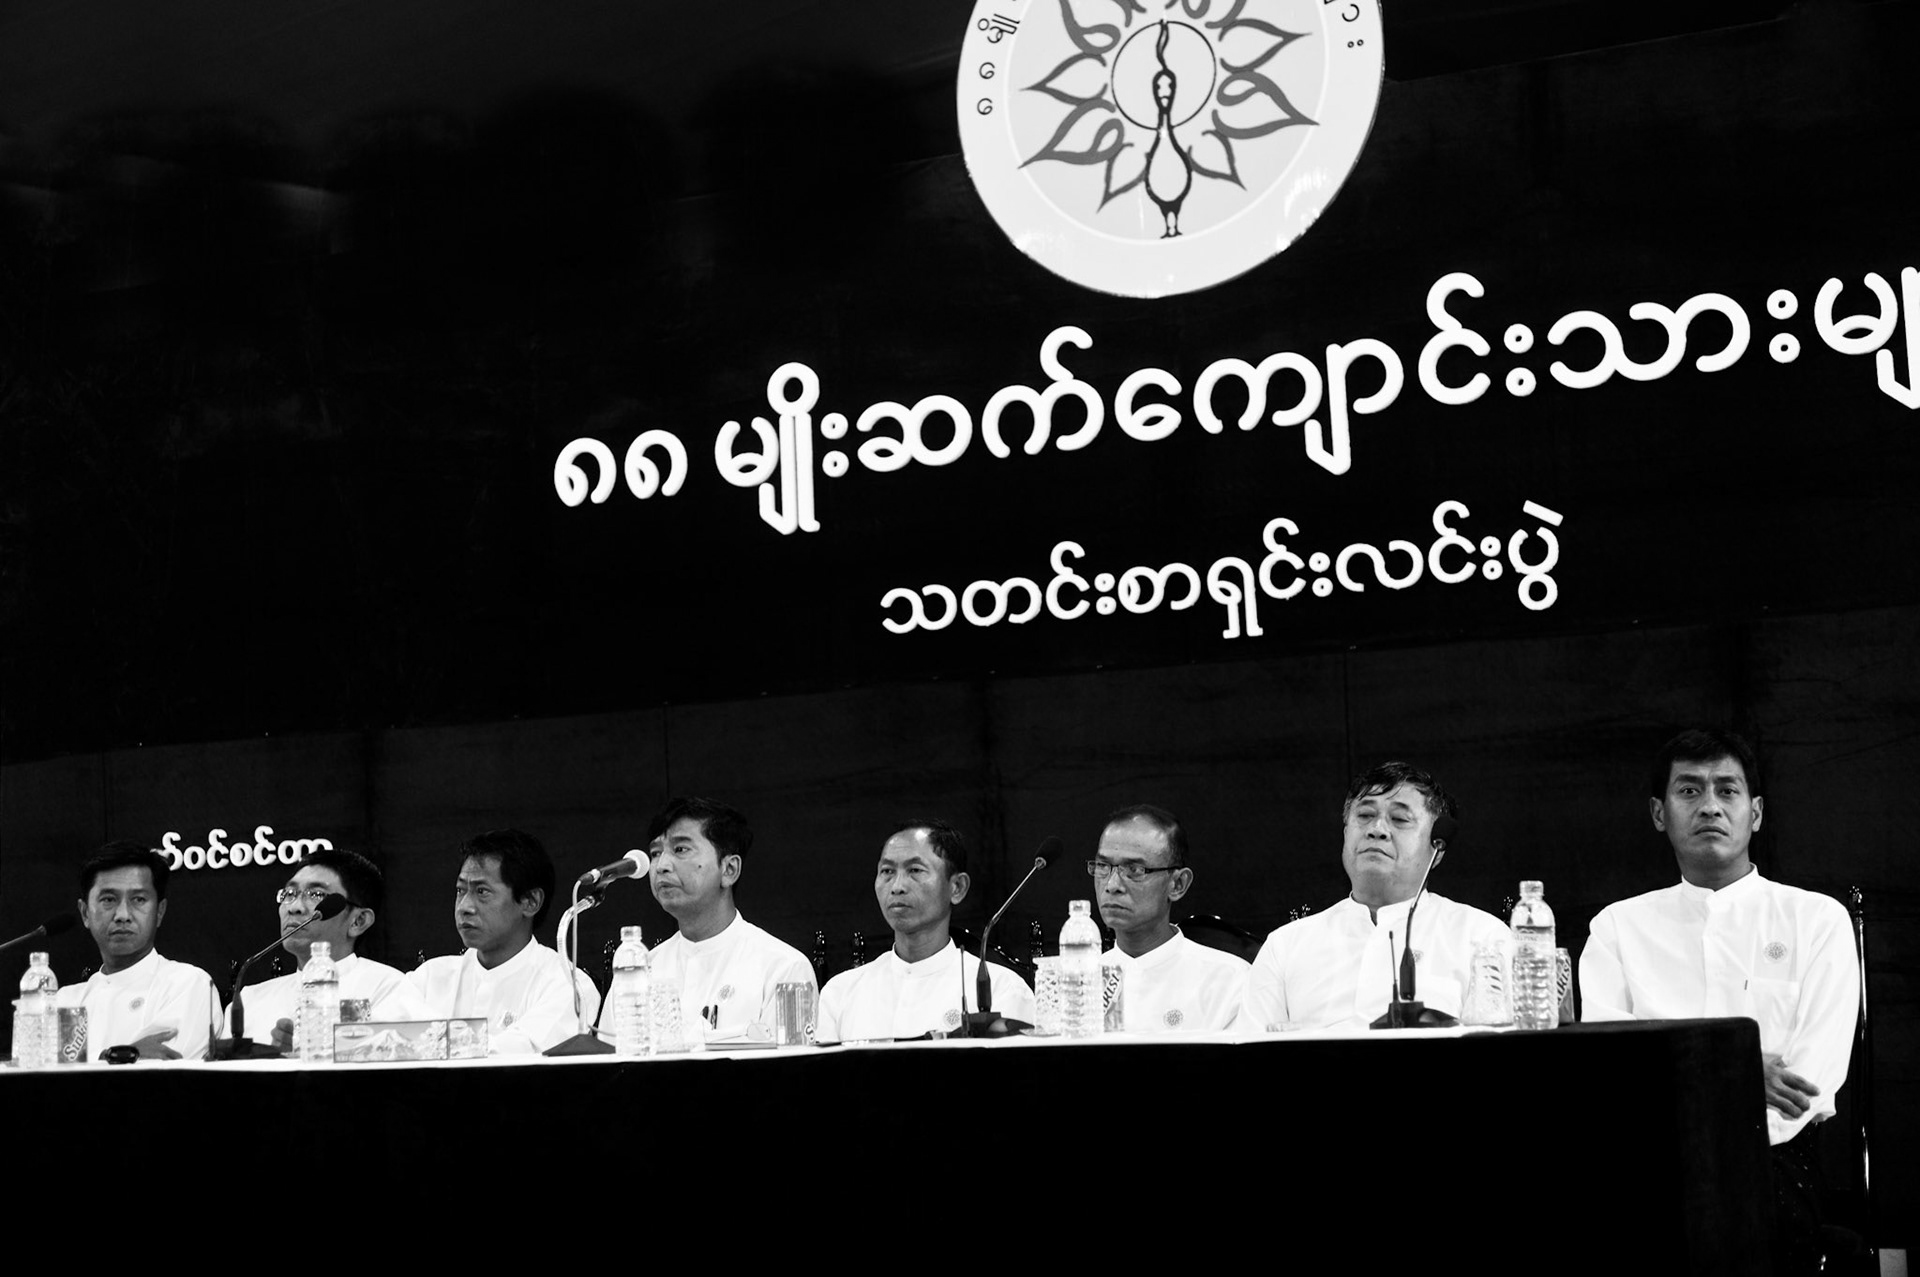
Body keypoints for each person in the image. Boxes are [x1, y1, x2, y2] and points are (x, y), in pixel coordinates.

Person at [1579, 729, 1857, 1271]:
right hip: (1647, 1159)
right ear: (1660, 813)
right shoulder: (1617, 927)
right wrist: (1740, 1072)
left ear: (1755, 813)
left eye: (1726, 791)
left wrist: (1675, 1078)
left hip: (1771, 1158)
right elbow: (1609, 1066)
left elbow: (1810, 1080)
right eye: (1689, 791)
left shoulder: (1817, 920)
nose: (1709, 805)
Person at [1245, 762, 1506, 1029]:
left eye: (1400, 819)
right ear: (1346, 833)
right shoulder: (1286, 946)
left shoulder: (1482, 938)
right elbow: (1245, 1055)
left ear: (1437, 848)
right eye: (1365, 815)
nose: (1377, 829)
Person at [816, 820, 1034, 1041]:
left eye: (915, 870)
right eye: (887, 871)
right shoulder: (840, 993)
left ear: (957, 887)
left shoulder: (1003, 989)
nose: (897, 886)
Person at [408, 829, 601, 1054]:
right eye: (461, 890)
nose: (464, 907)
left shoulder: (568, 985)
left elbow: (519, 1057)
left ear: (530, 901)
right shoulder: (428, 978)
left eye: (482, 892)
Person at [640, 797, 815, 1041]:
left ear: (729, 869)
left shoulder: (785, 969)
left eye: (680, 849)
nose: (661, 866)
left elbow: (795, 1074)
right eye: (655, 853)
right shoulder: (640, 972)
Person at [224, 848, 430, 1050]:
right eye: (289, 893)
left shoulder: (389, 989)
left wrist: (308, 1053)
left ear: (358, 921)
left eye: (315, 894)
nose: (294, 906)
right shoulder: (250, 1000)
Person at [1091, 805, 1247, 1032]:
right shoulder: (1077, 983)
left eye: (1134, 870)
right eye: (1103, 866)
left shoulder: (1227, 982)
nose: (1112, 885)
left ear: (1178, 884)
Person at [62, 842, 217, 1060]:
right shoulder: (65, 1002)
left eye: (138, 900)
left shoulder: (188, 984)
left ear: (160, 912)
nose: (122, 914)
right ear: (85, 912)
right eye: (108, 899)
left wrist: (93, 1061)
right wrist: (120, 1056)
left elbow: (157, 1073)